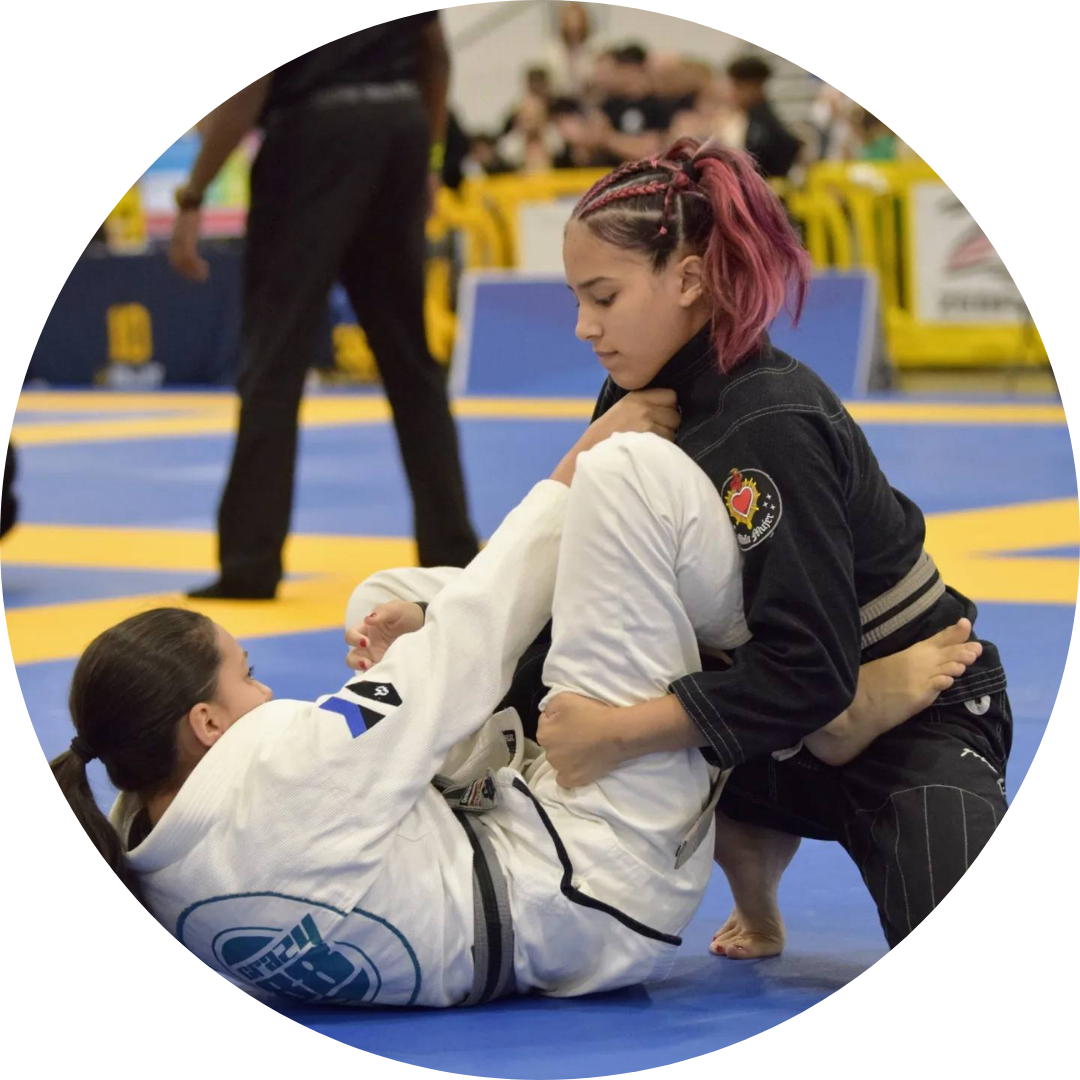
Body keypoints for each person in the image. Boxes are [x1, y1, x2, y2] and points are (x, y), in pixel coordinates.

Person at [49, 392, 974, 1008]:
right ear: (206, 725)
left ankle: (738, 711)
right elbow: (468, 643)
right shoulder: (283, 768)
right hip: (603, 878)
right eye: (245, 674)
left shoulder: (150, 860)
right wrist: (572, 466)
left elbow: (387, 791)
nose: (267, 688)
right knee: (629, 483)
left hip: (513, 865)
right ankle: (806, 693)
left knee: (380, 603)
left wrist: (414, 650)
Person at [523, 136, 1063, 991]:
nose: (585, 326)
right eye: (577, 300)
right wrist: (446, 623)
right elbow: (583, 581)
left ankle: (832, 737)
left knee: (991, 958)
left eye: (603, 297)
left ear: (691, 281)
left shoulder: (767, 421)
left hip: (911, 711)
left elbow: (807, 666)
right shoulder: (638, 389)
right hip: (783, 710)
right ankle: (768, 816)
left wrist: (622, 733)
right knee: (520, 689)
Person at [169, 15, 479, 600]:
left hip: (312, 134)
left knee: (275, 355)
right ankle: (453, 551)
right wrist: (428, 159)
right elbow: (435, 56)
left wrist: (193, 195)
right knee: (411, 362)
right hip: (400, 127)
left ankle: (250, 560)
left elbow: (249, 90)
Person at [724, 56, 803, 179]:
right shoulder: (757, 118)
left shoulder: (762, 125)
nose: (731, 93)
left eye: (737, 87)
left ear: (754, 87)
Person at [543, 1, 597, 102]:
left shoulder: (594, 48)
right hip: (560, 101)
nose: (573, 26)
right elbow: (553, 80)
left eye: (577, 21)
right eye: (569, 21)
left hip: (588, 101)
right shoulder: (553, 50)